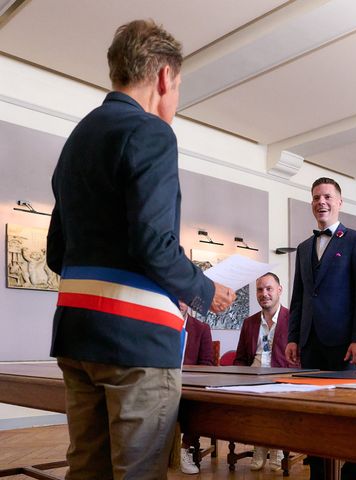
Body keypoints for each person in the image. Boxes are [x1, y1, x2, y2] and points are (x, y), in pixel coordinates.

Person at [46, 20, 235, 480]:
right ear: (165, 77)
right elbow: (153, 244)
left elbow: (56, 253)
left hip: (77, 335)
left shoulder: (79, 137)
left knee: (86, 470)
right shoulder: (152, 133)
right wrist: (203, 289)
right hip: (136, 343)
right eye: (179, 87)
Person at [286, 177, 356, 480]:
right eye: (315, 197)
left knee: (347, 415)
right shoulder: (303, 247)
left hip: (344, 343)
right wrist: (293, 337)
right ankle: (319, 473)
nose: (320, 202)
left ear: (339, 202)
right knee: (313, 414)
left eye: (326, 197)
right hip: (310, 342)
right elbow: (298, 297)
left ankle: (351, 473)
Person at [234, 272, 291, 471]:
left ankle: (274, 448)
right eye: (260, 289)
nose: (264, 293)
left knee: (273, 402)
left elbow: (300, 358)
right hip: (253, 376)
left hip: (283, 377)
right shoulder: (249, 323)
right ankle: (260, 445)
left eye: (269, 289)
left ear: (279, 290)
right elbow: (240, 358)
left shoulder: (293, 319)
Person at [179, 301, 214, 475]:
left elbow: (207, 364)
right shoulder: (160, 325)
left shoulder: (201, 329)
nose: (179, 302)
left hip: (191, 383)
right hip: (164, 381)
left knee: (197, 404)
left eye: (183, 298)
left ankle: (184, 449)